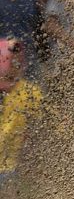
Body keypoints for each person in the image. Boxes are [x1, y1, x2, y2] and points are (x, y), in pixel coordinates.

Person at [0, 37, 42, 182]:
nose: (15, 61)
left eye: (17, 56)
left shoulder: (30, 92)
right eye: (10, 56)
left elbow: (52, 126)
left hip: (12, 171)